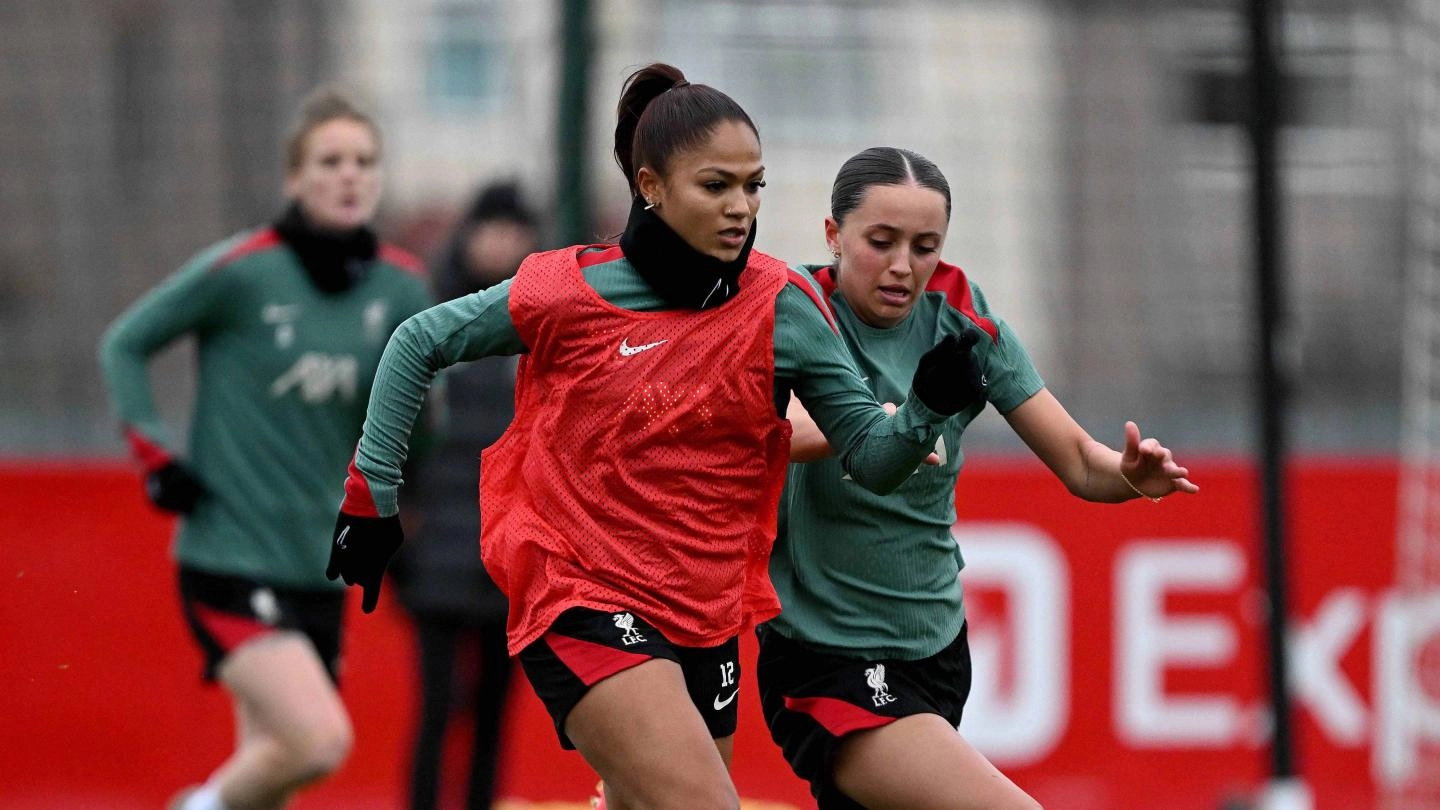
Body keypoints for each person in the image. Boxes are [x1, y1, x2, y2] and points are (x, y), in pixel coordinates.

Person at [324, 64, 987, 810]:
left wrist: (928, 406)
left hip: (705, 616)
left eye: (754, 186)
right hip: (579, 590)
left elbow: (870, 455)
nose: (741, 209)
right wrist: (370, 498)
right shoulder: (568, 291)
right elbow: (417, 341)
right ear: (651, 186)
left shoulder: (784, 305)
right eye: (717, 187)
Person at [756, 146, 1199, 810]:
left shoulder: (964, 323)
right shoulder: (795, 312)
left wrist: (1131, 474)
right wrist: (878, 423)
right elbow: (782, 434)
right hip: (828, 660)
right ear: (832, 235)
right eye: (882, 241)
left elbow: (1080, 463)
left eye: (925, 245)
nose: (904, 265)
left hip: (936, 652)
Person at [97, 89, 433, 810]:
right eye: (331, 161)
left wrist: (408, 500)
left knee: (274, 766)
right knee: (318, 742)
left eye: (364, 162)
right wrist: (155, 453)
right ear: (294, 178)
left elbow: (414, 422)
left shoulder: (402, 288)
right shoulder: (243, 271)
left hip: (319, 564)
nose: (351, 175)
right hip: (228, 556)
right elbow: (125, 344)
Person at [390, 182, 539, 810]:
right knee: (436, 706)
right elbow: (392, 442)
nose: (501, 242)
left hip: (511, 565)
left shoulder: (543, 325)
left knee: (492, 720)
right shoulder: (428, 322)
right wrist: (401, 541)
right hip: (435, 560)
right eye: (491, 227)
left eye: (515, 229)